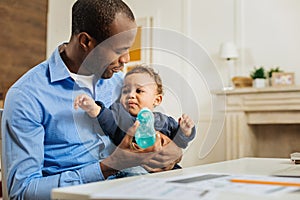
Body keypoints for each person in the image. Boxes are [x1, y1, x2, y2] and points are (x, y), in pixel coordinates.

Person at [1, 0, 183, 199]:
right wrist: (109, 166)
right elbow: (21, 192)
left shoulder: (122, 85)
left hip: (137, 188)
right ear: (86, 42)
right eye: (119, 50)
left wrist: (172, 151)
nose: (126, 60)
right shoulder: (26, 96)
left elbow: (157, 130)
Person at [74, 65, 196, 176]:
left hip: (164, 169)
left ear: (157, 100)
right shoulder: (119, 113)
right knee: (133, 173)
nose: (131, 95)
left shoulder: (164, 121)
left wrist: (185, 131)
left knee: (181, 174)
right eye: (126, 91)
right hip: (135, 167)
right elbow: (108, 120)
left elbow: (179, 142)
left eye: (139, 91)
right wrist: (95, 109)